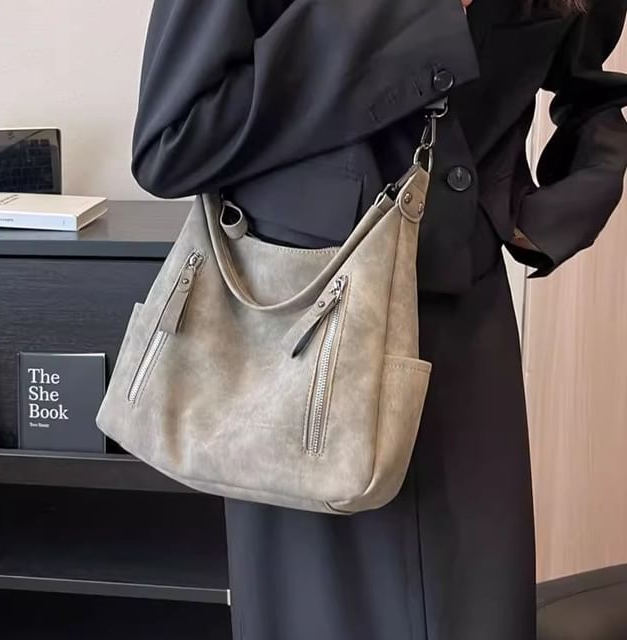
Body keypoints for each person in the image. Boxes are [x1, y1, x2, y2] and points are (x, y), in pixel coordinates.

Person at [131, 1, 627, 638]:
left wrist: (551, 211)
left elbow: (591, 88)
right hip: (304, 345)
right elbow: (174, 140)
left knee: (477, 611)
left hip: (465, 335)